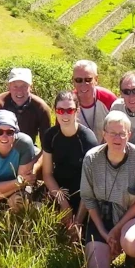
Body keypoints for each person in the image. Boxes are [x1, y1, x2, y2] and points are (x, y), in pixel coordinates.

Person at [80, 111, 135, 268]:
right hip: (103, 216)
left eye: (122, 133)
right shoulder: (91, 158)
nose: (117, 138)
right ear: (104, 134)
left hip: (133, 214)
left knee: (133, 245)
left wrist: (117, 229)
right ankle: (108, 249)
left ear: (129, 134)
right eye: (112, 133)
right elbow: (89, 199)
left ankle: (134, 256)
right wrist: (105, 233)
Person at [41, 91, 99, 231]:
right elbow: (47, 174)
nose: (65, 115)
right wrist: (63, 203)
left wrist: (77, 221)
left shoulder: (87, 139)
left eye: (70, 110)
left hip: (83, 193)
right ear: (56, 112)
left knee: (78, 233)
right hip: (58, 190)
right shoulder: (50, 135)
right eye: (60, 110)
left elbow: (91, 182)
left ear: (77, 111)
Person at [0, 67, 52, 149]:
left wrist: (36, 162)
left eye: (24, 86)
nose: (19, 91)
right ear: (9, 86)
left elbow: (46, 145)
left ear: (31, 87)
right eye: (15, 86)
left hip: (28, 149)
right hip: (0, 149)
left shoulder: (41, 108)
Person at [72, 60, 117, 143]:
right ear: (73, 81)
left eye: (88, 79)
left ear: (96, 79)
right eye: (78, 80)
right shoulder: (68, 102)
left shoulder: (109, 99)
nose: (83, 84)